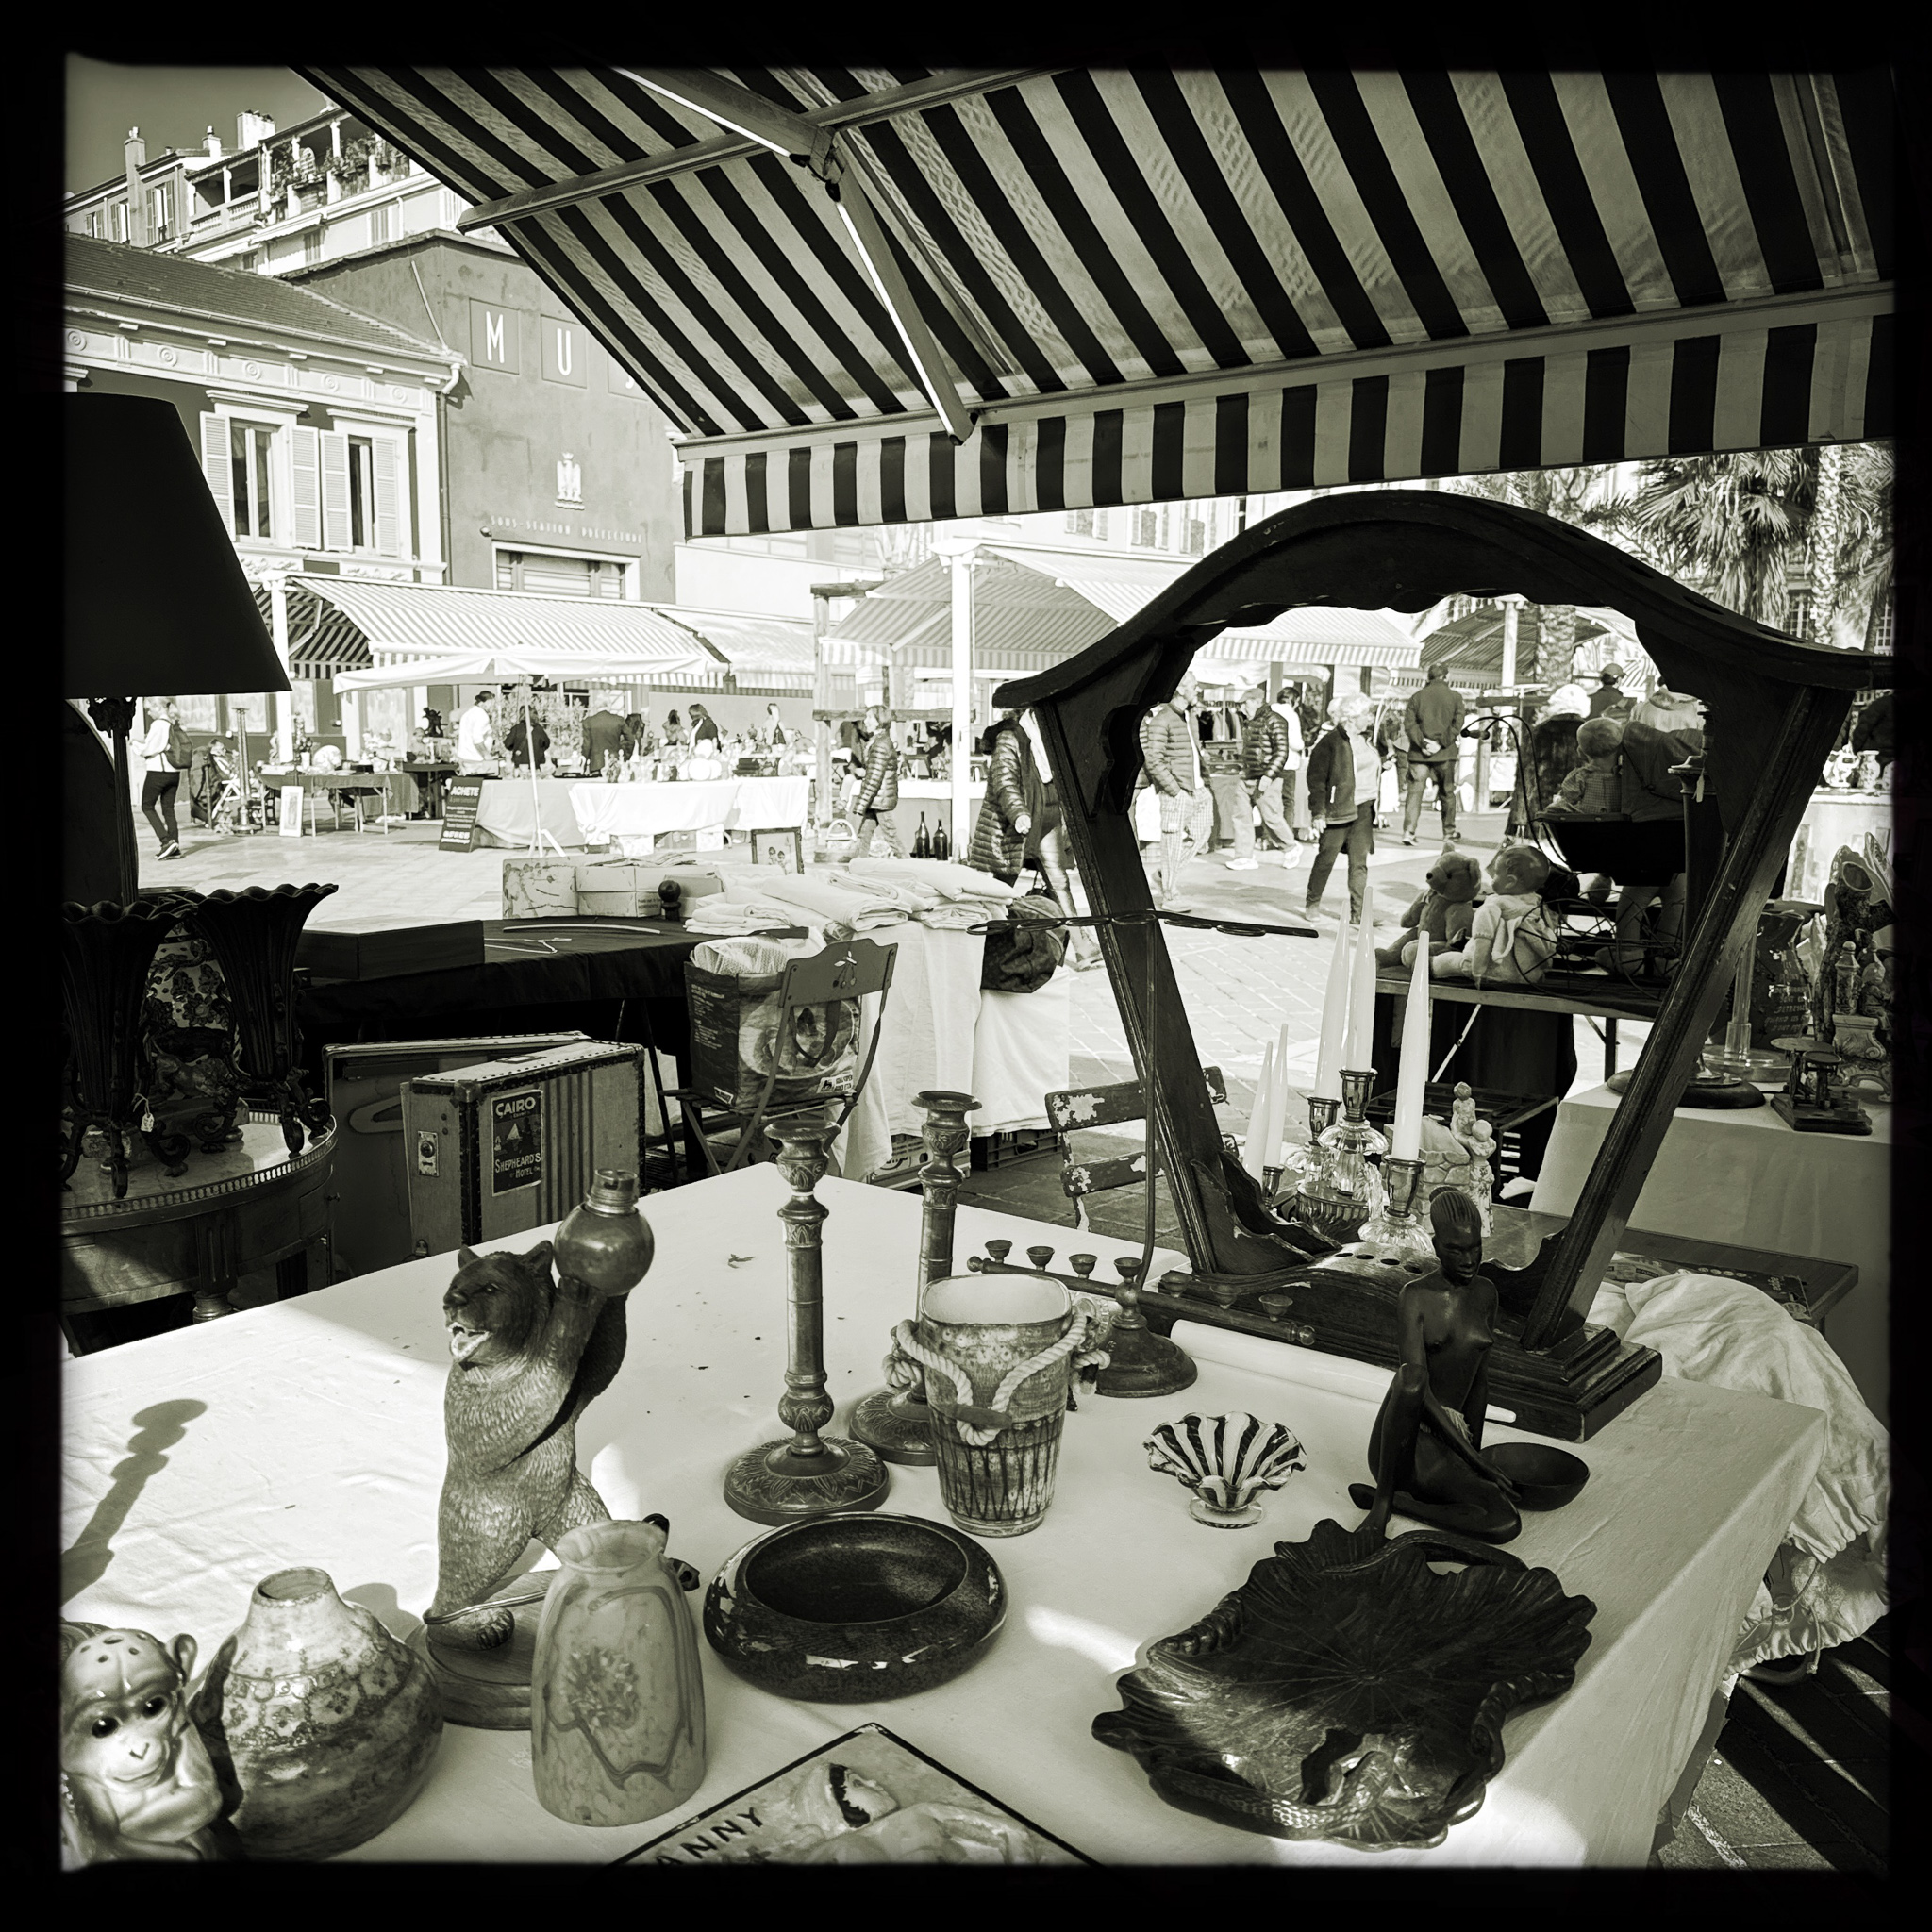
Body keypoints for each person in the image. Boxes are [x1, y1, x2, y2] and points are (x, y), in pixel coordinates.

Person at [1354, 1190, 1522, 1544]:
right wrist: (1474, 1460)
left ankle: (1407, 1505)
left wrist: (1474, 1453)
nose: (1469, 1260)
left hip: (1451, 1442)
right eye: (1456, 1250)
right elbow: (1416, 1391)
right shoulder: (1415, 1296)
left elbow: (1479, 1381)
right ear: (1435, 1246)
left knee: (1505, 1523)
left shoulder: (1486, 1294)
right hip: (1406, 1440)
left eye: (1475, 1248)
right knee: (1411, 1378)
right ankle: (1382, 1503)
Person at [1601, 690, 1704, 975]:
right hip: (1685, 814)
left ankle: (1628, 955)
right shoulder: (1700, 715)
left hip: (1644, 814)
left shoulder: (1641, 713)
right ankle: (1666, 958)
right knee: (1678, 892)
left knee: (1636, 891)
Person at [1301, 693, 1382, 924]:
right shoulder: (1330, 742)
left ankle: (1359, 913)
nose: (1370, 718)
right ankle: (1312, 902)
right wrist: (1318, 812)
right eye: (1366, 714)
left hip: (1364, 808)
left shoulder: (1367, 741)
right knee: (1326, 858)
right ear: (1352, 717)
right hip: (1338, 809)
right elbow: (1316, 779)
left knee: (1359, 863)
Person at [1138, 674, 1213, 910]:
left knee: (1201, 834)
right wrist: (1174, 790)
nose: (1197, 689)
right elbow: (1153, 759)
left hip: (1197, 788)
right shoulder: (1162, 720)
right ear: (1180, 689)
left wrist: (1204, 782)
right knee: (1172, 843)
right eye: (1194, 686)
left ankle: (1164, 875)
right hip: (1178, 790)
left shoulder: (1188, 717)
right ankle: (1170, 896)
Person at [1227, 688, 1299, 872]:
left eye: (1245, 704)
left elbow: (1281, 752)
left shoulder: (1275, 720)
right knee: (1241, 816)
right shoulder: (1250, 722)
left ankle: (1290, 847)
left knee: (1271, 817)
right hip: (1247, 776)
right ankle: (1244, 856)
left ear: (1256, 702)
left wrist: (1268, 775)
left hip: (1266, 778)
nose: (1242, 708)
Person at [1401, 664, 1466, 847]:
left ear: (1428, 677)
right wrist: (1440, 743)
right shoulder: (1455, 697)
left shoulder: (1417, 697)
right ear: (1447, 676)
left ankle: (1408, 831)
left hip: (1419, 754)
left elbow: (1409, 724)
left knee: (1415, 793)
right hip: (1445, 753)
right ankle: (1449, 832)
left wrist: (1423, 743)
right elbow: (1457, 724)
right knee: (1447, 793)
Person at [848, 705, 905, 858]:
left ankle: (910, 865)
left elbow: (874, 778)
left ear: (879, 721)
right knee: (864, 834)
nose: (865, 721)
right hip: (878, 798)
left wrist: (861, 804)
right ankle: (859, 864)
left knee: (891, 837)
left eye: (869, 718)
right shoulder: (879, 741)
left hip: (880, 799)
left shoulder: (880, 744)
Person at [138, 697, 186, 859]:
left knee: (147, 806)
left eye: (149, 709)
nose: (149, 713)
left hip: (158, 771)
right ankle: (175, 846)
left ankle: (165, 841)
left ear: (158, 707)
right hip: (174, 772)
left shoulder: (158, 724)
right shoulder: (174, 723)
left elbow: (149, 749)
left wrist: (134, 745)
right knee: (168, 808)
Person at [582, 693, 634, 777]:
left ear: (596, 706)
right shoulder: (618, 720)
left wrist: (584, 765)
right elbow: (631, 739)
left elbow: (586, 745)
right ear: (609, 705)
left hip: (596, 764)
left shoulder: (589, 722)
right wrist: (625, 756)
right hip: (615, 762)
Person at [455, 697, 495, 774]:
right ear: (485, 703)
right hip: (476, 760)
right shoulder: (482, 715)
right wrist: (486, 755)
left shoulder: (467, 714)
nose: (492, 707)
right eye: (491, 703)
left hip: (465, 757)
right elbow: (477, 739)